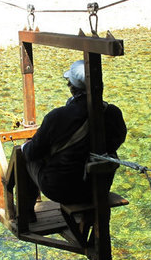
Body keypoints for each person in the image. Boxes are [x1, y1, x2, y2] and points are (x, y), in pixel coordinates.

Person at [21, 60, 126, 205]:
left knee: (22, 157)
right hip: (99, 187)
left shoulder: (57, 117)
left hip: (62, 191)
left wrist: (24, 146)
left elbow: (32, 153)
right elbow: (117, 141)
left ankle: (27, 214)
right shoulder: (113, 112)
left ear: (71, 87)